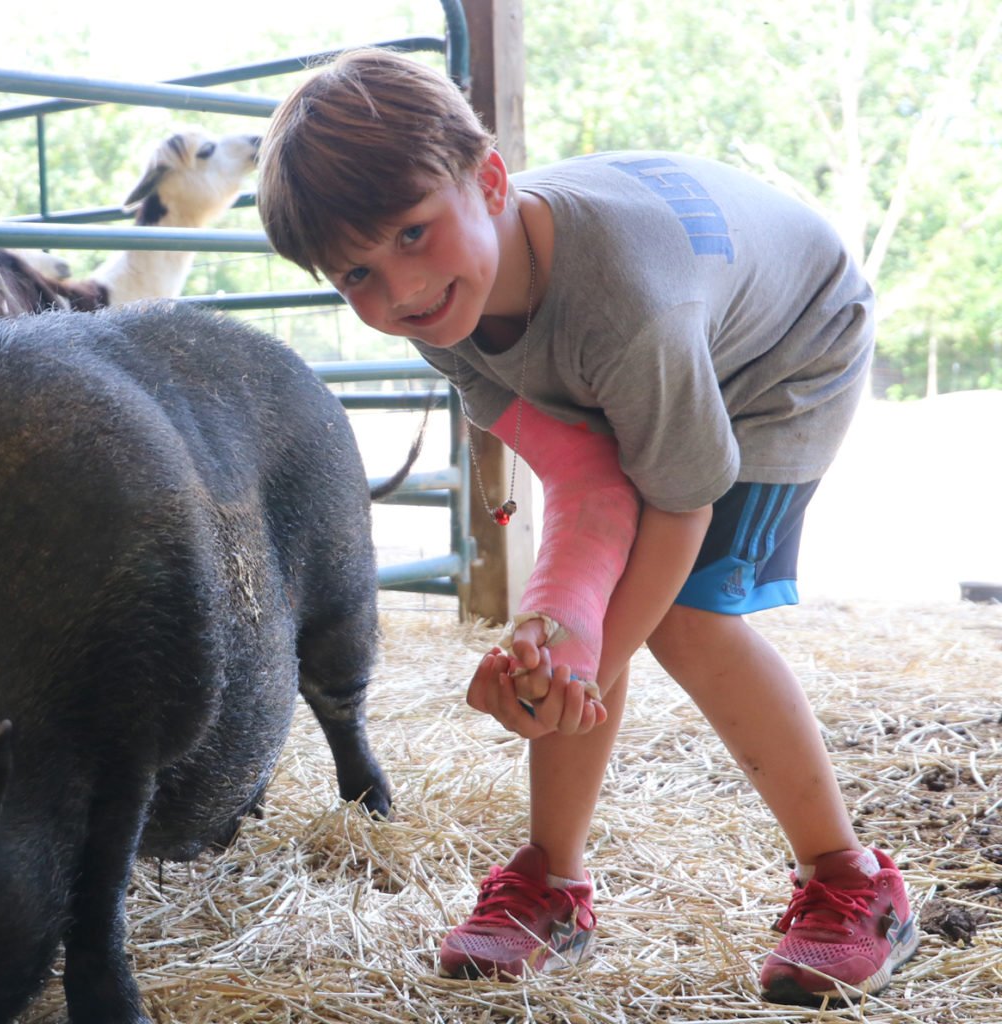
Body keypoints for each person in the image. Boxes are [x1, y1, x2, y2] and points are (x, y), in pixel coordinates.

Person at [255, 47, 918, 1005]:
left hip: (787, 350)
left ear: (488, 180)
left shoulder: (629, 306)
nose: (395, 291)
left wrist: (575, 666)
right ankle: (550, 887)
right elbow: (586, 479)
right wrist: (556, 635)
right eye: (354, 271)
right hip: (675, 336)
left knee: (686, 617)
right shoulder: (448, 309)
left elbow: (679, 499)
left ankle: (854, 886)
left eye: (411, 233)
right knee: (590, 628)